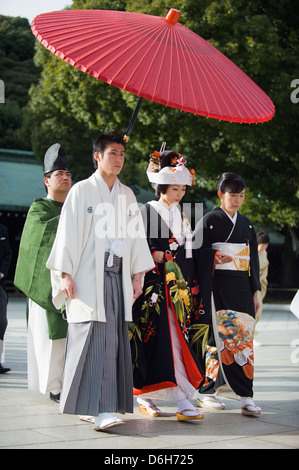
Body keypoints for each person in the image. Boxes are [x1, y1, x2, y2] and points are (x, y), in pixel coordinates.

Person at [46, 131, 154, 432]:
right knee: (89, 339)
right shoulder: (81, 191)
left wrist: (137, 275)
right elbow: (67, 233)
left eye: (121, 154)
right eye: (112, 154)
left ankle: (103, 407)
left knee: (112, 342)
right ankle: (94, 408)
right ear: (97, 156)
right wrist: (65, 273)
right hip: (88, 277)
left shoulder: (127, 195)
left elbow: (135, 238)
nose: (118, 159)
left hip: (117, 277)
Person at [130, 147, 207, 422]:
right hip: (153, 286)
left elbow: (190, 250)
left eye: (183, 189)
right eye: (175, 188)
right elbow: (136, 244)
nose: (180, 194)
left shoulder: (182, 216)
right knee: (153, 340)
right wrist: (153, 253)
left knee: (176, 340)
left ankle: (181, 396)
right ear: (161, 185)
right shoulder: (145, 211)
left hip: (177, 289)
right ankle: (146, 394)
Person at [195, 172, 262, 416]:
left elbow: (252, 259)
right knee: (216, 338)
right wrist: (213, 256)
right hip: (217, 286)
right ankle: (208, 391)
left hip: (242, 287)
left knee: (242, 338)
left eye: (241, 195)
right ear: (221, 195)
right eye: (233, 194)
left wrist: (255, 291)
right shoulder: (209, 220)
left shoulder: (247, 224)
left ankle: (245, 395)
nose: (237, 200)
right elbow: (194, 250)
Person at [14, 143, 71, 401]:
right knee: (51, 339)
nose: (66, 177)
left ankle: (71, 380)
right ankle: (55, 386)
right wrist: (75, 220)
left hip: (73, 284)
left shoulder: (74, 208)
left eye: (68, 174)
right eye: (60, 174)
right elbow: (40, 242)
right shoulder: (39, 209)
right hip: (47, 288)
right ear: (47, 181)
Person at [0, 223, 12, 373]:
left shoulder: (3, 229)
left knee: (1, 322)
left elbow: (8, 253)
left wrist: (1, 272)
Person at [256, 231, 270, 324]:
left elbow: (265, 267)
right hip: (253, 282)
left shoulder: (264, 252)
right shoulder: (251, 252)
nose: (264, 247)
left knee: (259, 307)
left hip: (261, 280)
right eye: (262, 245)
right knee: (257, 307)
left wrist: (262, 277)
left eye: (266, 245)